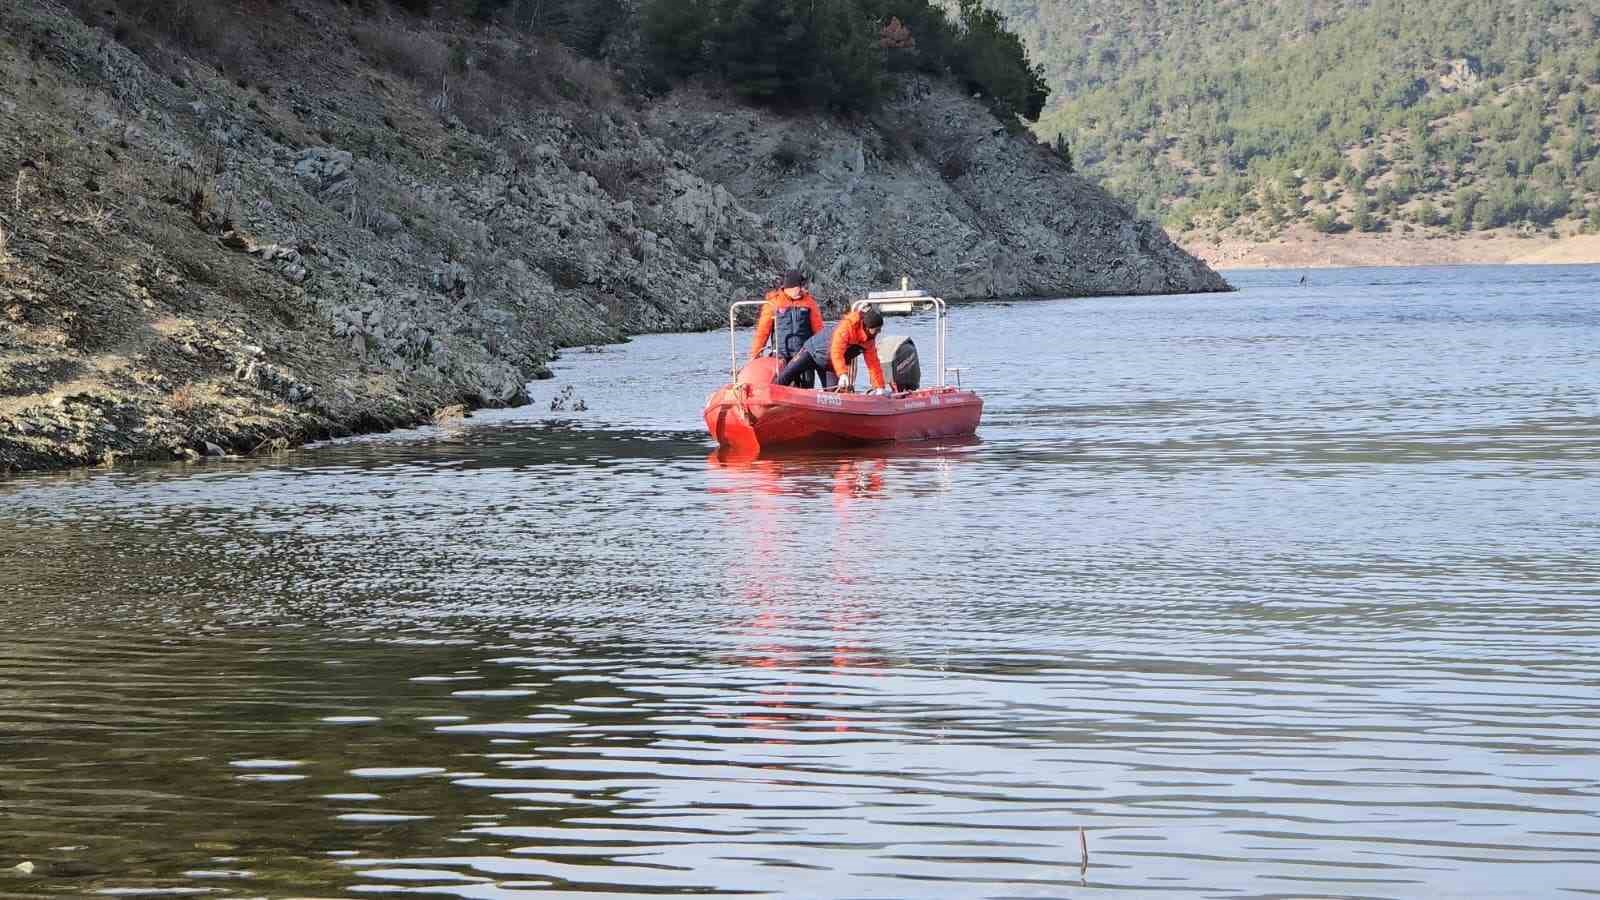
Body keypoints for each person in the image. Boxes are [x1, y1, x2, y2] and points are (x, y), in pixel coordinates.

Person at [775, 306, 889, 393]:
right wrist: (843, 373)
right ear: (868, 327)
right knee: (786, 375)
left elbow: (873, 364)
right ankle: (768, 399)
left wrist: (879, 387)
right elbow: (836, 351)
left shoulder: (869, 340)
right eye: (877, 329)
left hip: (829, 364)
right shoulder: (847, 327)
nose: (879, 332)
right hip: (811, 352)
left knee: (833, 394)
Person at [749, 270, 824, 364]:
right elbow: (762, 332)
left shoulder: (809, 302)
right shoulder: (773, 302)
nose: (802, 289)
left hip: (804, 354)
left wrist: (824, 352)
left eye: (802, 286)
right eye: (799, 287)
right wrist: (755, 354)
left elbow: (819, 330)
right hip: (780, 356)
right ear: (790, 287)